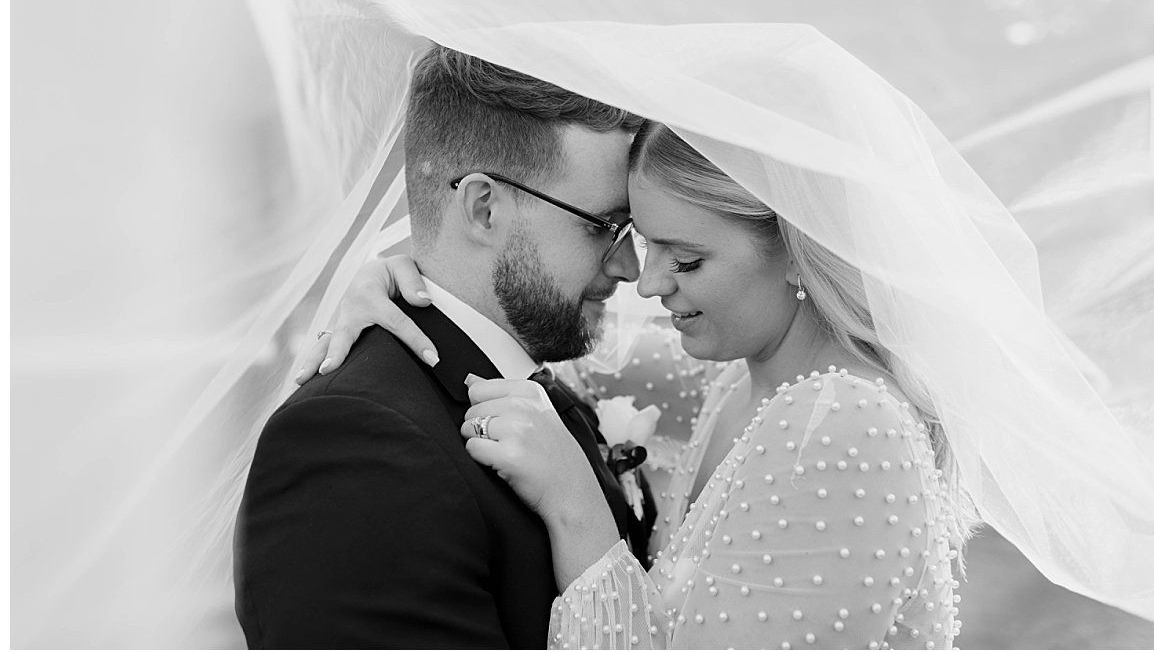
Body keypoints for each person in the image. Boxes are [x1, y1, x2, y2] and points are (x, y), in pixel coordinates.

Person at [305, 120, 974, 649]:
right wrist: (406, 281)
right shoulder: (733, 382)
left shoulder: (844, 423)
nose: (648, 283)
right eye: (643, 242)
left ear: (798, 249)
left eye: (686, 258)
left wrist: (580, 513)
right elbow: (509, 329)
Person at [234, 44, 657, 648]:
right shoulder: (357, 443)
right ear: (483, 208)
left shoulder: (539, 384)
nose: (631, 268)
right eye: (603, 228)